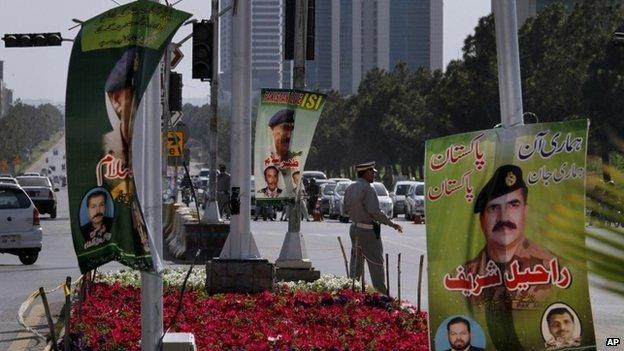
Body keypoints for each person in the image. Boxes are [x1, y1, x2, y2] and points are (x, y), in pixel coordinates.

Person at [462, 164, 557, 305]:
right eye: (493, 208)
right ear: (482, 220)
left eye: (513, 204)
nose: (503, 217)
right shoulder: (463, 276)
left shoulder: (555, 269)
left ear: (525, 212)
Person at [343, 161, 403, 294]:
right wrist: (391, 224)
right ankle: (381, 294)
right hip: (368, 231)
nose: (374, 175)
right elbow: (374, 212)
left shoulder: (349, 187)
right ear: (366, 173)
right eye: (372, 173)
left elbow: (345, 209)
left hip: (354, 228)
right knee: (376, 263)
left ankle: (352, 293)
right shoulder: (368, 188)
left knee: (356, 264)